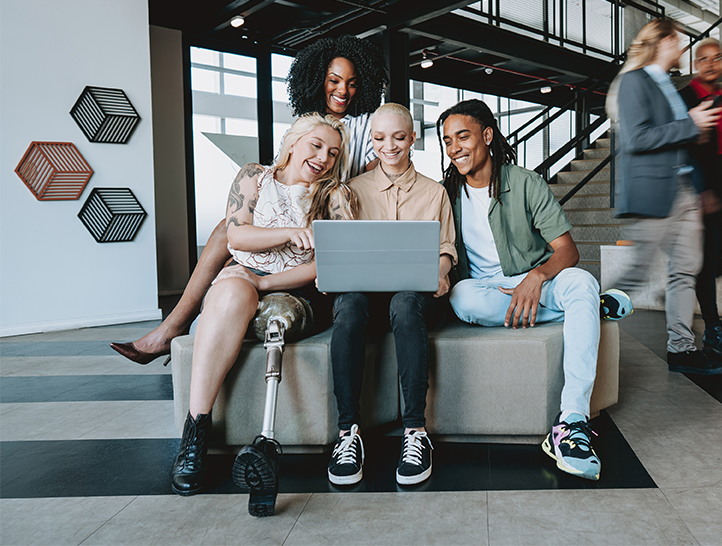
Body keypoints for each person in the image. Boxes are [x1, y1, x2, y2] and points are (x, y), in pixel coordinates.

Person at [110, 35, 388, 364]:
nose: (343, 91)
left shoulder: (367, 125)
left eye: (352, 84)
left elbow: (377, 171)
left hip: (325, 213)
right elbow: (280, 176)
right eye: (334, 81)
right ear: (317, 79)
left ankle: (176, 327)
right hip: (290, 216)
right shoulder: (304, 124)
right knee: (229, 233)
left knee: (228, 240)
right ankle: (178, 326)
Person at [437, 99, 633, 481]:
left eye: (463, 136)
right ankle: (588, 307)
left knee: (581, 281)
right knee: (463, 299)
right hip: (485, 289)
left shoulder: (524, 182)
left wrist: (537, 276)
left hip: (538, 279)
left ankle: (571, 420)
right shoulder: (444, 193)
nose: (455, 147)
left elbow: (568, 252)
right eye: (447, 140)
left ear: (487, 136)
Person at [170, 113, 356, 501]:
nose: (324, 158)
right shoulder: (253, 176)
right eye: (316, 146)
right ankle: (195, 432)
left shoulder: (333, 195)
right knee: (230, 292)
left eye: (333, 153)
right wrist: (289, 233)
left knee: (246, 289)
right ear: (292, 143)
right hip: (245, 272)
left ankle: (259, 441)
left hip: (298, 290)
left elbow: (332, 262)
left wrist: (264, 282)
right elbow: (235, 232)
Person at [327, 103, 456, 486]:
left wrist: (440, 272)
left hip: (415, 302)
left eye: (399, 137)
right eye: (380, 138)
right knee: (348, 304)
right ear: (371, 140)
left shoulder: (435, 193)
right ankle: (347, 432)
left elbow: (446, 250)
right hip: (367, 300)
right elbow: (341, 250)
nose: (389, 146)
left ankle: (416, 431)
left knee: (404, 299)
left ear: (413, 138)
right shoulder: (352, 191)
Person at [607, 19, 722, 375]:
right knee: (638, 272)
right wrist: (690, 124)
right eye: (680, 42)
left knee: (686, 271)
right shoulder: (633, 82)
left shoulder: (669, 85)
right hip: (655, 191)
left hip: (684, 188)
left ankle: (681, 349)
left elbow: (674, 137)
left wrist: (695, 133)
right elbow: (638, 139)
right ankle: (585, 311)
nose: (684, 49)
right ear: (664, 41)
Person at [679, 38, 722, 358]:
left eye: (716, 58)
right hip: (703, 188)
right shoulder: (685, 97)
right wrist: (701, 188)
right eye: (704, 59)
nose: (711, 64)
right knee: (705, 260)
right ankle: (713, 326)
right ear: (695, 64)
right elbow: (683, 147)